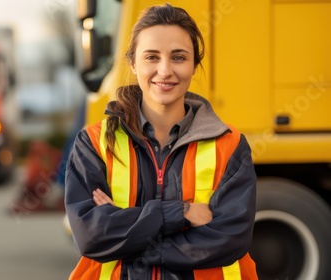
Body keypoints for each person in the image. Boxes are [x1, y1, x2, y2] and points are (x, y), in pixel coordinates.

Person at [65, 4, 258, 280]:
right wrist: (182, 213)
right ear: (133, 63)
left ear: (194, 64)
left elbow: (230, 239)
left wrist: (127, 238)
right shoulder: (94, 142)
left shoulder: (230, 145)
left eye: (178, 57)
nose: (165, 70)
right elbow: (91, 235)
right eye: (152, 57)